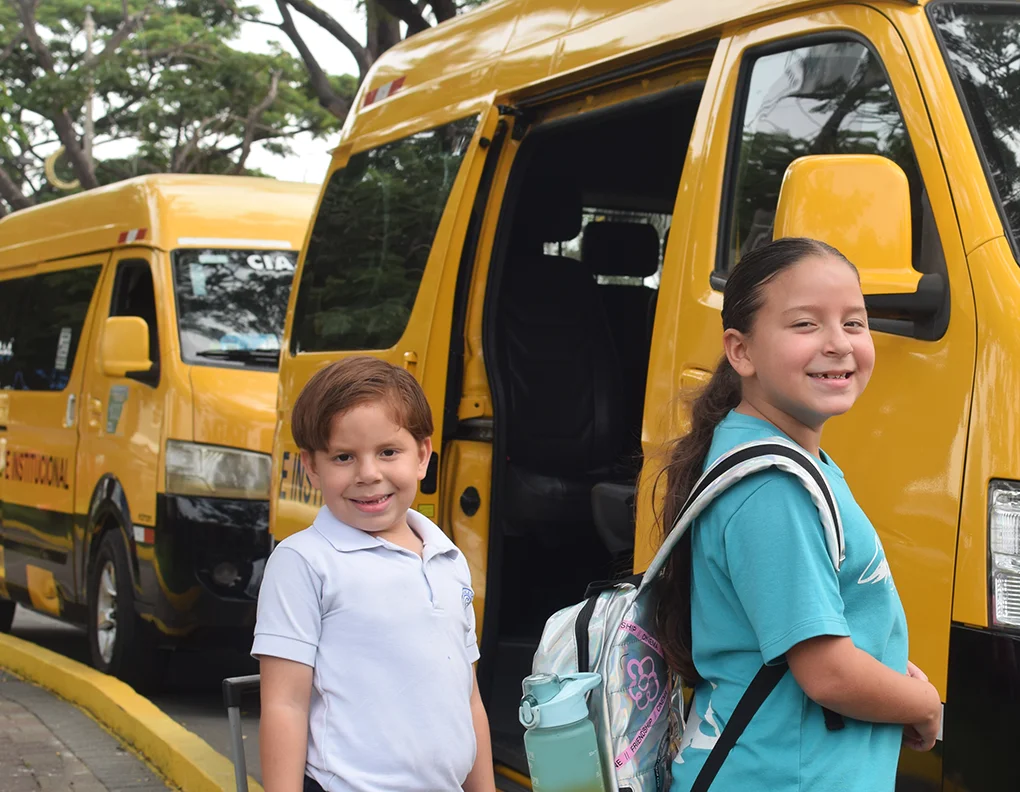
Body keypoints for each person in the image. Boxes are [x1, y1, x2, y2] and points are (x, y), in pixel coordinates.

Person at [656, 238, 942, 791]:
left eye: (855, 323)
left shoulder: (787, 456)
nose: (839, 344)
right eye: (806, 325)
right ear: (741, 352)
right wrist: (924, 704)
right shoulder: (772, 489)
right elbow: (827, 673)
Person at [252, 356, 496, 792]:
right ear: (312, 467)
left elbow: (468, 697)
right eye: (344, 456)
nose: (369, 474)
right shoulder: (304, 561)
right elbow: (285, 704)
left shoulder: (449, 559)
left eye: (388, 452)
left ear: (422, 456)